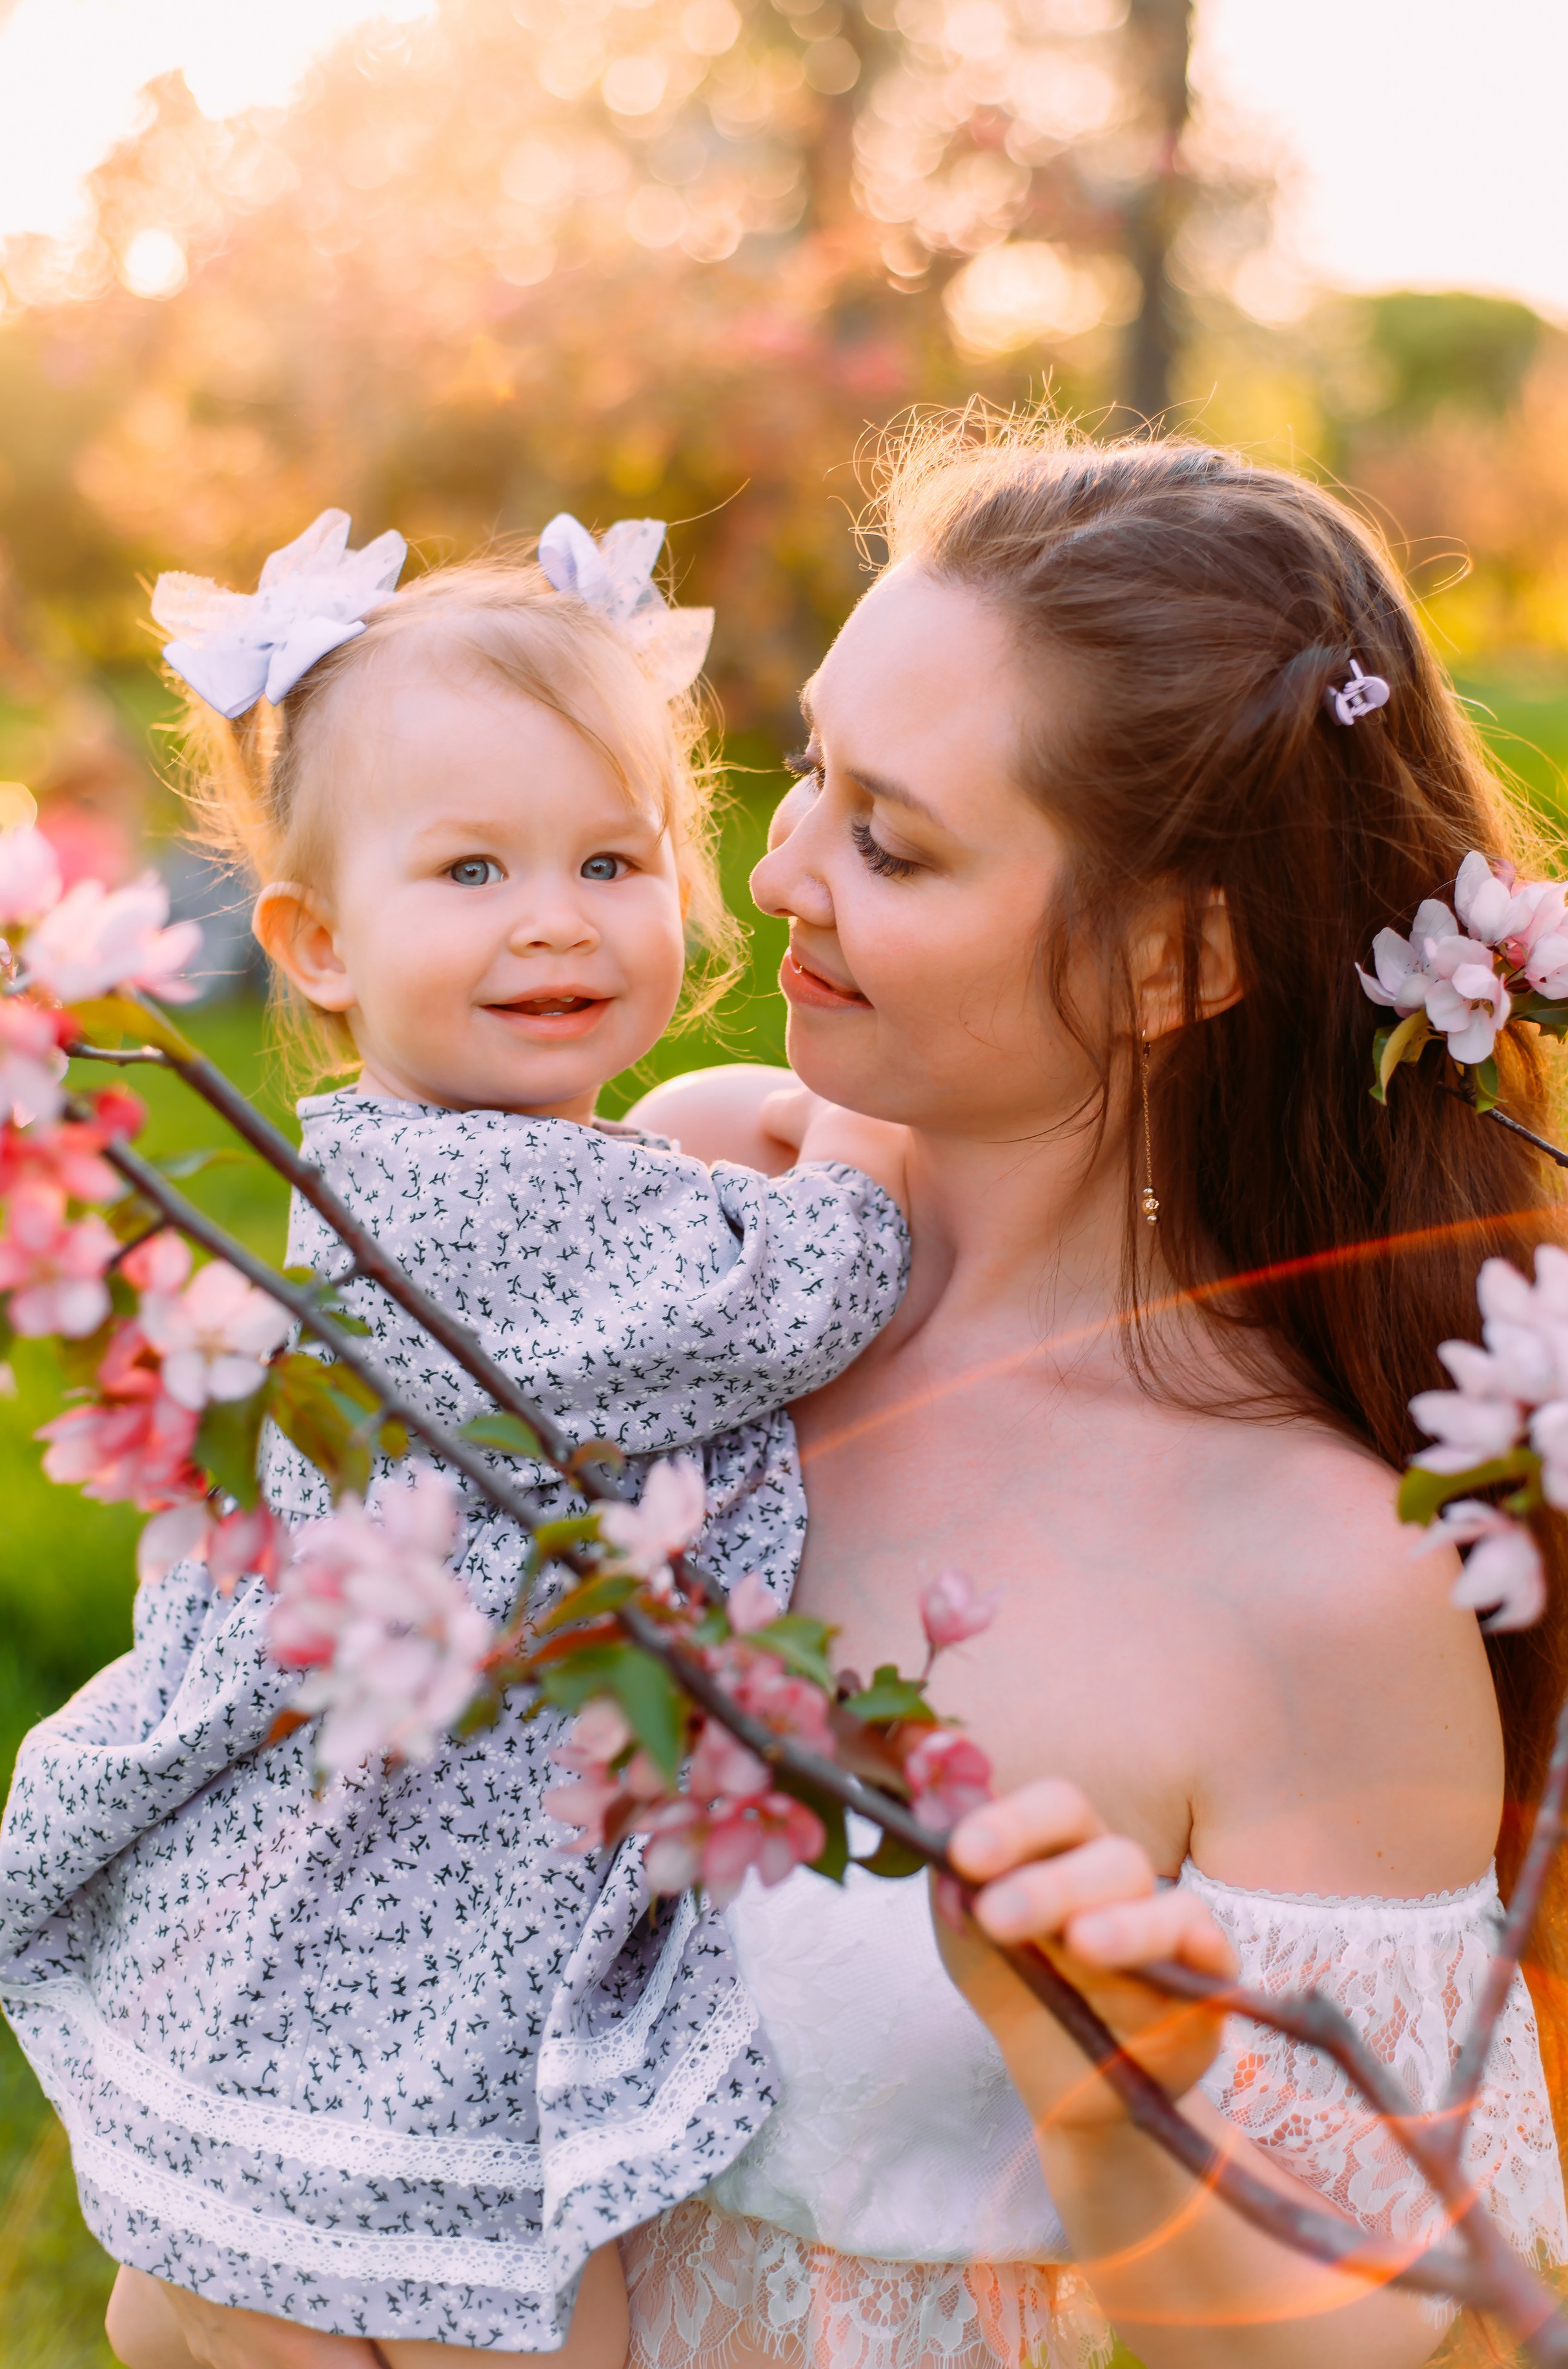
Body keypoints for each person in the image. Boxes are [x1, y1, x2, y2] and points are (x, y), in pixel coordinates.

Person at [618, 417, 1568, 2368]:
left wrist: (1104, 2088)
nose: (779, 864)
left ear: (1174, 960)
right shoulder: (691, 1214)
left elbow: (1377, 2348)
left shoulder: (1322, 1581)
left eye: (892, 840)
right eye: (813, 767)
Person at [0, 513, 910, 2369]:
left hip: (321, 2009)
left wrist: (695, 1121)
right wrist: (872, 1123)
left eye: (609, 857)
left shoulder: (450, 1174)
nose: (556, 917)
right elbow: (802, 1295)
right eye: (472, 869)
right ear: (318, 949)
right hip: (377, 2037)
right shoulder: (460, 1195)